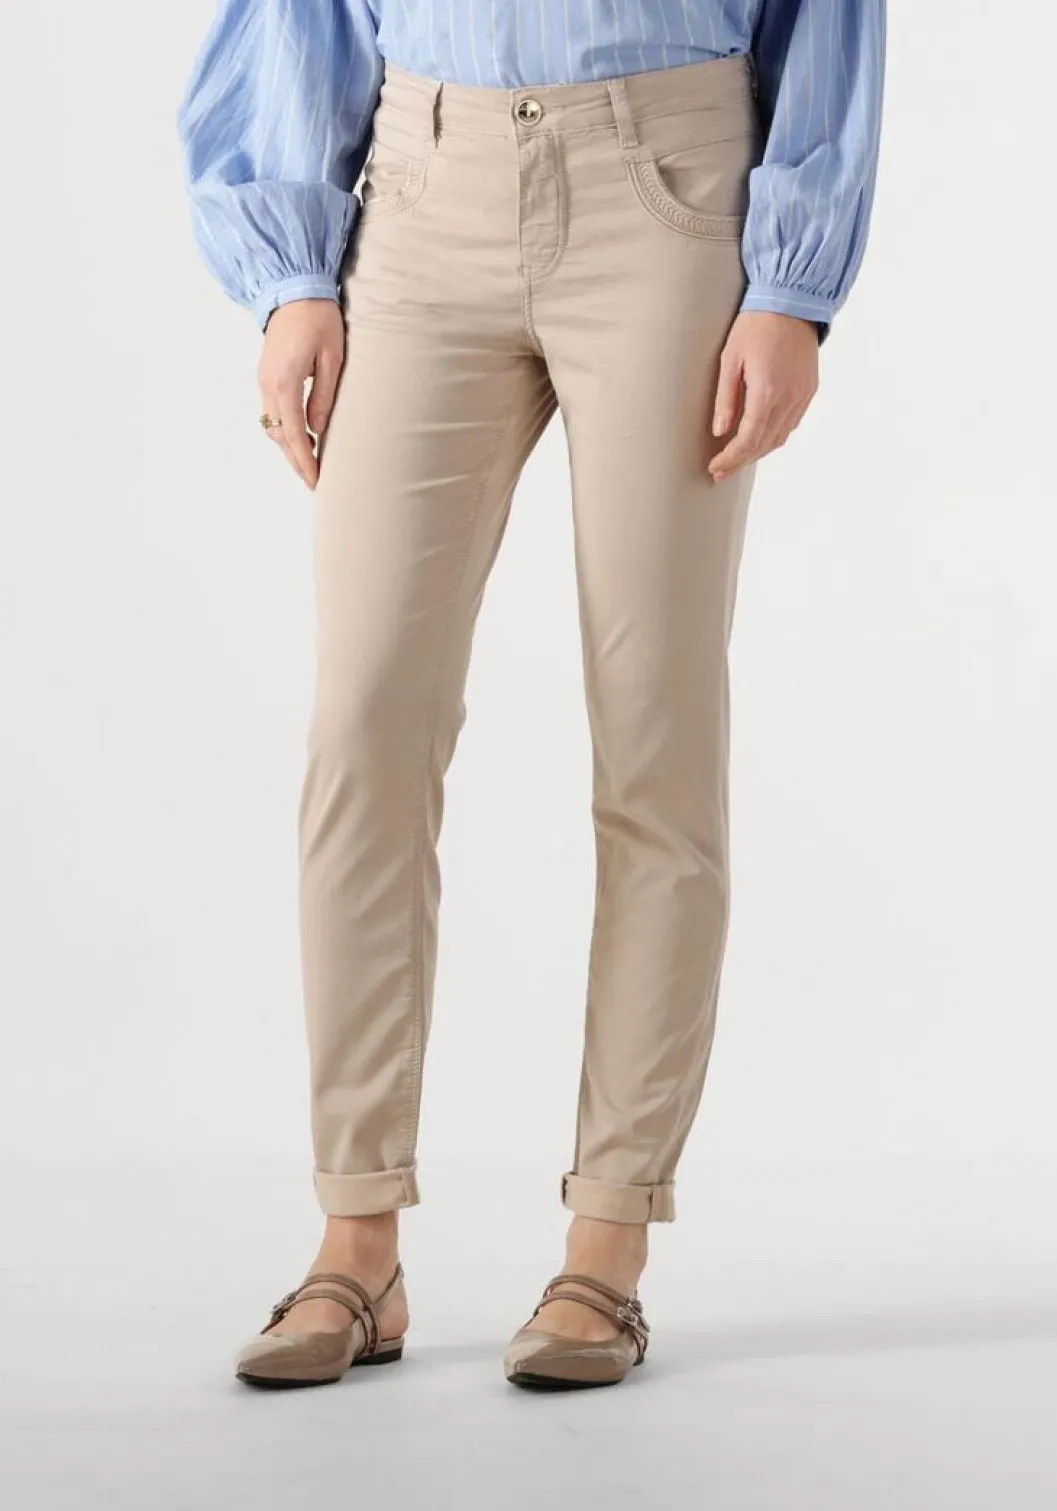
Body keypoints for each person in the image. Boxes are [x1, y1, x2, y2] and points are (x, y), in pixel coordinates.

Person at [177, 0, 885, 1392]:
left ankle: (604, 1249)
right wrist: (291, 272)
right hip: (419, 188)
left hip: (668, 190)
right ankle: (356, 1239)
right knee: (365, 724)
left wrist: (793, 283)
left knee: (655, 729)